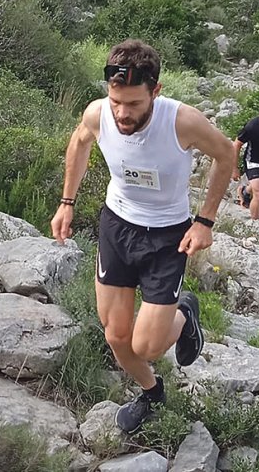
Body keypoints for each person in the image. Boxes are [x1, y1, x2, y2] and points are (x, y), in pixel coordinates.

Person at [50, 39, 235, 434]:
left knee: (147, 346)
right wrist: (67, 201)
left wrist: (205, 220)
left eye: (133, 104)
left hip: (168, 237)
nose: (122, 113)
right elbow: (79, 142)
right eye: (116, 101)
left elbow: (225, 155)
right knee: (117, 336)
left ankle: (185, 315)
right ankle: (152, 392)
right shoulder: (99, 113)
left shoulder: (181, 122)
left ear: (156, 91)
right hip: (117, 227)